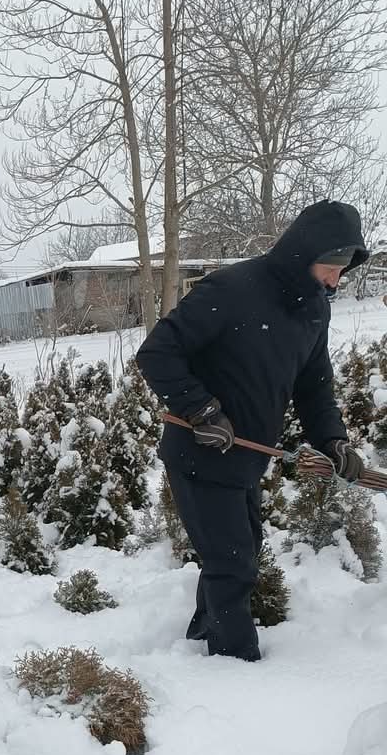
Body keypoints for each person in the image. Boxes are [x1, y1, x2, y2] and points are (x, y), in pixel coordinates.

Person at [137, 200, 369, 662]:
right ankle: (234, 665)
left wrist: (334, 440)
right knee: (231, 561)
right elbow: (157, 352)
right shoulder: (231, 288)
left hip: (246, 458)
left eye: (343, 272)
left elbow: (314, 386)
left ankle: (203, 643)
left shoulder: (313, 312)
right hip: (199, 452)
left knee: (242, 550)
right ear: (306, 252)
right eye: (332, 267)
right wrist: (202, 410)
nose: (336, 280)